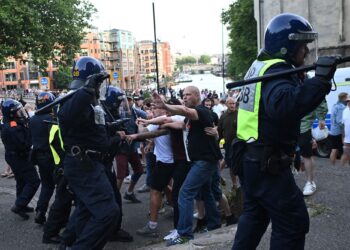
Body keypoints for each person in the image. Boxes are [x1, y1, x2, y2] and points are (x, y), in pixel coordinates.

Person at [231, 13, 337, 250]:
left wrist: (292, 150)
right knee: (292, 222)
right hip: (265, 164)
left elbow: (267, 119)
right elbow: (283, 107)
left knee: (255, 216)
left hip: (251, 157)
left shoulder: (260, 67)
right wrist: (319, 81)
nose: (306, 53)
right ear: (288, 47)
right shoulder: (277, 72)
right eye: (303, 47)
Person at [57, 56, 120, 249]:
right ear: (92, 80)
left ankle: (67, 243)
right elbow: (65, 116)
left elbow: (89, 131)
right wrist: (86, 91)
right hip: (83, 165)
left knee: (85, 210)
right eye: (100, 81)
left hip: (91, 163)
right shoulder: (75, 98)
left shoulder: (89, 100)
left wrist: (110, 129)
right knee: (108, 213)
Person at [152, 86, 222, 246]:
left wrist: (166, 106)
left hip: (204, 161)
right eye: (183, 95)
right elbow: (180, 125)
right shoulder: (191, 117)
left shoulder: (200, 111)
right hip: (202, 160)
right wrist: (165, 124)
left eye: (188, 95)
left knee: (185, 193)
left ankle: (184, 233)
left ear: (197, 96)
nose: (184, 97)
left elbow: (185, 111)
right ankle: (214, 224)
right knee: (206, 192)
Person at [1, 99, 40, 220]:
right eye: (18, 112)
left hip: (15, 156)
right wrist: (28, 129)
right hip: (19, 157)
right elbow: (25, 144)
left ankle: (22, 203)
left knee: (21, 181)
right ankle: (19, 204)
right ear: (12, 114)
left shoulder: (12, 124)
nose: (21, 113)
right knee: (34, 181)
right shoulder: (13, 127)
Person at [29, 92, 56, 224]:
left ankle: (40, 210)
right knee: (63, 187)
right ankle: (59, 217)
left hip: (39, 157)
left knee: (47, 185)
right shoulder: (51, 119)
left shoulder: (33, 119)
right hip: (53, 157)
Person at [299, 99, 328, 196]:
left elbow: (319, 97)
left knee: (307, 155)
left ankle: (310, 182)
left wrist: (321, 118)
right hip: (288, 125)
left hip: (303, 126)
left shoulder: (307, 84)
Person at [329, 92, 348, 165]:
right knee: (344, 149)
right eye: (347, 97)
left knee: (334, 149)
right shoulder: (341, 107)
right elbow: (340, 121)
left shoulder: (335, 105)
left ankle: (332, 165)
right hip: (339, 132)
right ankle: (343, 165)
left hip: (333, 131)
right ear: (343, 98)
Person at [341, 96, 350, 166]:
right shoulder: (345, 111)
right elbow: (343, 125)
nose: (349, 102)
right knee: (346, 154)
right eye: (348, 101)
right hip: (347, 138)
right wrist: (343, 137)